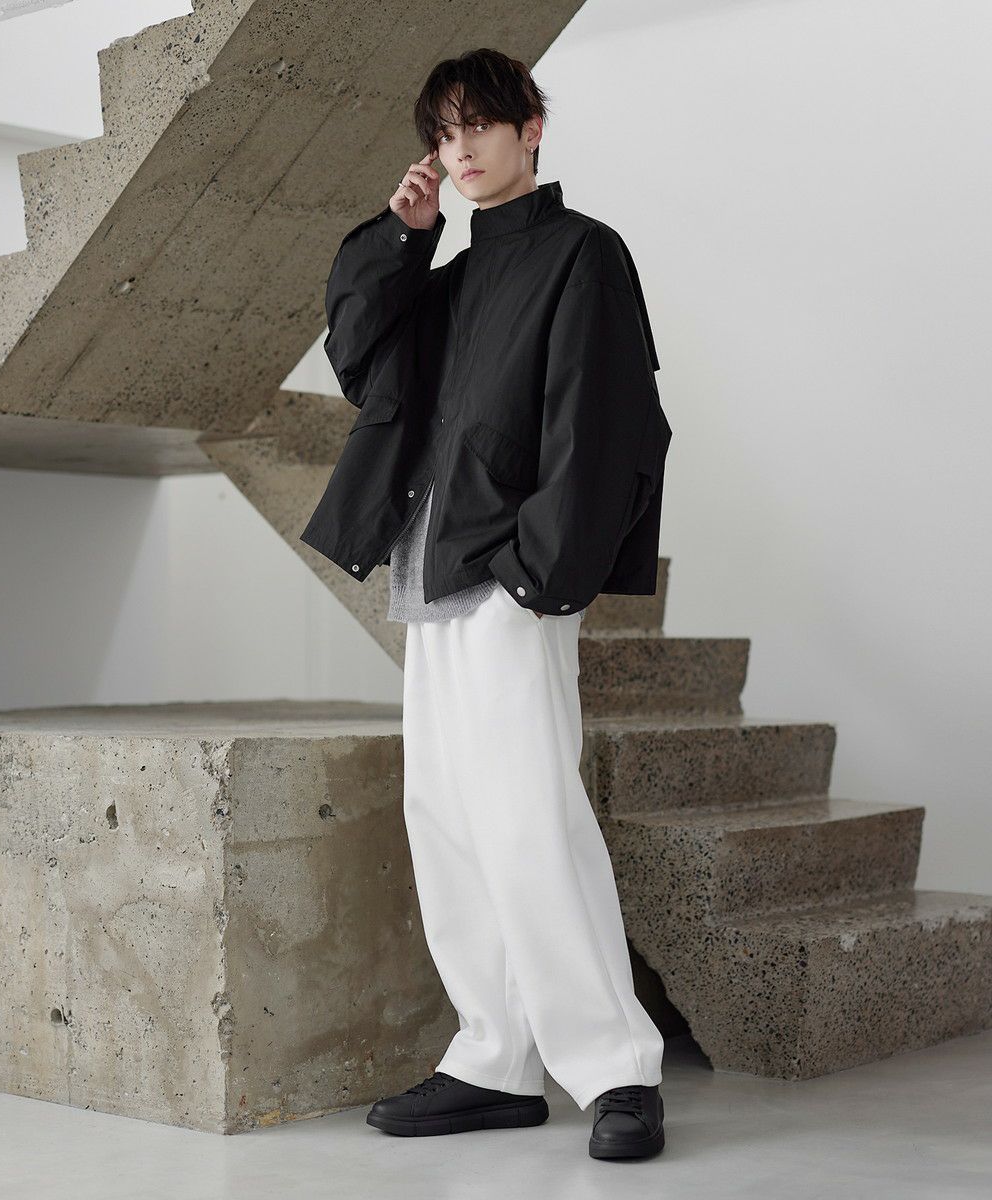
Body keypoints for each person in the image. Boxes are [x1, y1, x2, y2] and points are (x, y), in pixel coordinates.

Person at [299, 48, 672, 1161]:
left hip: (509, 576)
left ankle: (615, 1069)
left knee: (527, 817)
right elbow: (360, 360)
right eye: (443, 132)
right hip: (431, 569)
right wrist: (402, 238)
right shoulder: (453, 276)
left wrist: (536, 572)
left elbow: (604, 422)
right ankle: (493, 1060)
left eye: (478, 126)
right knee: (448, 820)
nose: (458, 149)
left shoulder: (583, 254)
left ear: (530, 129)